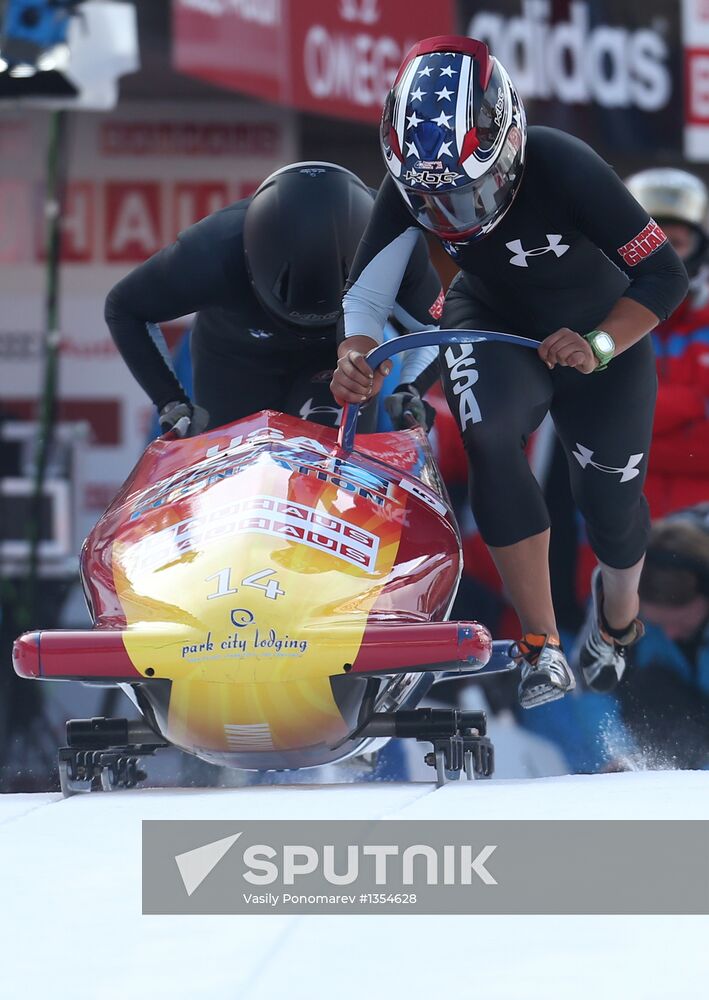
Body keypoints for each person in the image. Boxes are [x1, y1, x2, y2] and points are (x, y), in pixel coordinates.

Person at [330, 36, 689, 709]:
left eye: (470, 194)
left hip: (601, 332)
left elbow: (661, 273)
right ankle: (539, 645)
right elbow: (366, 298)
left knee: (608, 508)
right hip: (491, 317)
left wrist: (601, 342)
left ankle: (617, 616)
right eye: (434, 204)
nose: (454, 219)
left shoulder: (564, 164)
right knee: (490, 436)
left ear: (510, 141)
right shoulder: (411, 185)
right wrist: (352, 355)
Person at [104, 161, 444, 438]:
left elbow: (436, 328)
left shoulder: (396, 245)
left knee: (335, 475)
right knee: (229, 481)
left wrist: (410, 390)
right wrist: (170, 401)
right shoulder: (210, 252)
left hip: (338, 364)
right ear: (248, 258)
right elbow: (125, 307)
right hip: (237, 360)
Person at [624, 168, 709, 518]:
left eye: (677, 245)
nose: (666, 262)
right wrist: (692, 403)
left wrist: (637, 424)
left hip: (699, 531)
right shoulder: (591, 319)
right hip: (609, 525)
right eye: (653, 245)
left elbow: (619, 432)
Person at [613, 505, 709, 769]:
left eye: (682, 621)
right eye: (660, 624)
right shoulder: (621, 607)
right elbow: (593, 689)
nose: (671, 634)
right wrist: (622, 755)